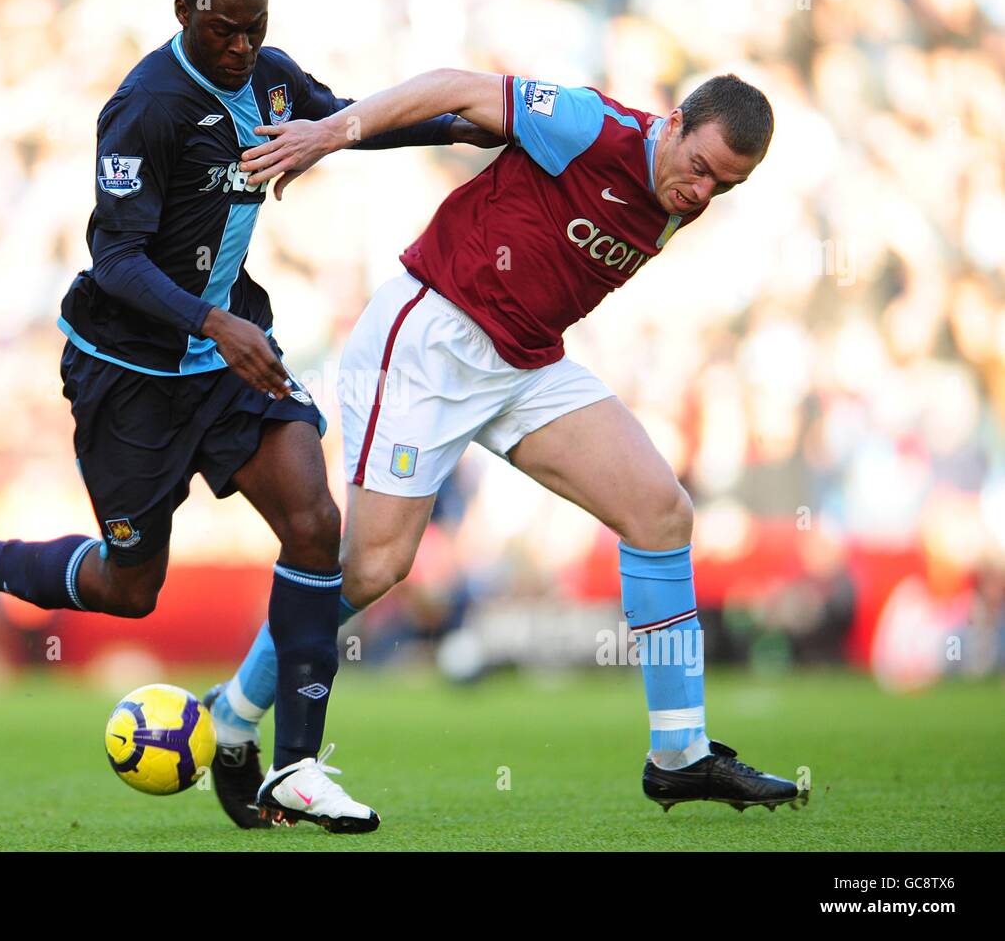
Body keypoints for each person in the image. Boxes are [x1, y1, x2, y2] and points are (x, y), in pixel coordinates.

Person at [0, 0, 496, 834]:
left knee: (317, 525)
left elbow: (348, 121)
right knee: (131, 587)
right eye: (221, 29)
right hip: (130, 376)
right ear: (183, 13)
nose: (239, 47)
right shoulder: (144, 108)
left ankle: (293, 763)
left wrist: (474, 122)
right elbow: (113, 260)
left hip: (230, 367)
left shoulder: (270, 81)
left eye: (253, 28)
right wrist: (214, 321)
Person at [203, 67, 809, 823]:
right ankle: (233, 712)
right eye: (699, 169)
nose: (701, 194)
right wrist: (332, 132)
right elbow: (457, 86)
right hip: (431, 338)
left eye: (725, 186)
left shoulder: (680, 195)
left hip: (524, 361)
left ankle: (680, 756)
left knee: (662, 514)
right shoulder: (592, 127)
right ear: (676, 120)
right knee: (374, 569)